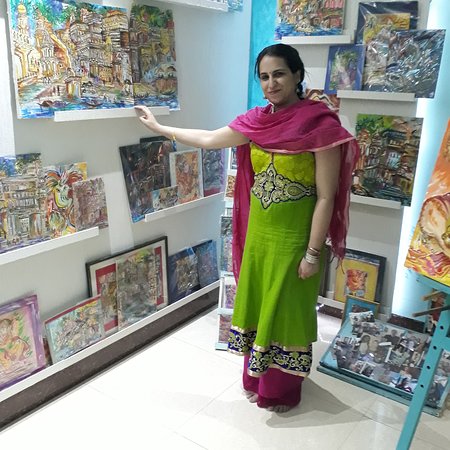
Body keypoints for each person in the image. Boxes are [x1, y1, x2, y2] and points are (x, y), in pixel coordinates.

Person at [135, 43, 360, 413]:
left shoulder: (320, 127)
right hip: (259, 235)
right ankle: (256, 379)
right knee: (258, 306)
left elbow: (326, 197)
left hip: (294, 240)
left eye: (279, 74)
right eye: (264, 77)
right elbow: (210, 139)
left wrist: (312, 253)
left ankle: (281, 390)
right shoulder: (257, 122)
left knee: (285, 311)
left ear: (298, 75)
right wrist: (160, 127)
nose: (271, 83)